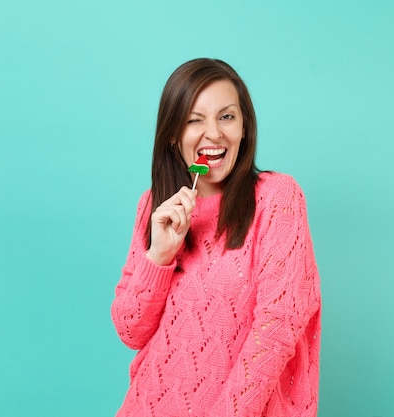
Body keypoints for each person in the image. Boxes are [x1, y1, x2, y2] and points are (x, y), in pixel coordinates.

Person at [111, 58, 321, 417]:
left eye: (227, 117)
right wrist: (160, 256)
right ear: (174, 134)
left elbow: (277, 326)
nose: (214, 133)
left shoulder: (277, 198)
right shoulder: (153, 206)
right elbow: (131, 330)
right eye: (195, 120)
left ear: (244, 128)